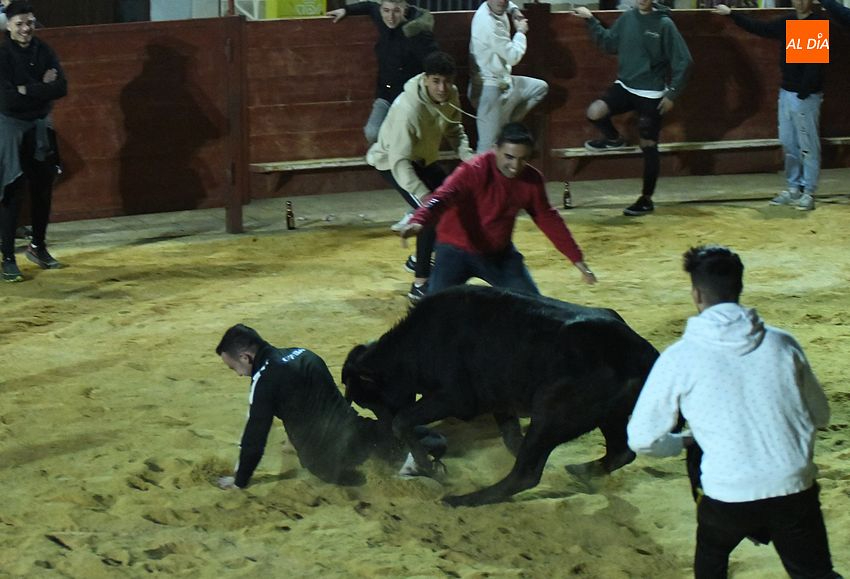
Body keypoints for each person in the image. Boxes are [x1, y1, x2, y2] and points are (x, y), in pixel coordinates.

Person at [627, 245, 841, 579]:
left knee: (711, 558)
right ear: (739, 288)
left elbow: (641, 439)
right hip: (793, 487)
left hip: (727, 496)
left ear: (697, 294)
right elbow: (821, 415)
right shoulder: (784, 344)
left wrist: (682, 443)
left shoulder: (679, 357)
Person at [215, 324, 444, 489]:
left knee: (355, 472)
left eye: (233, 367)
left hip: (327, 461)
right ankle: (415, 454)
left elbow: (255, 437)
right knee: (396, 438)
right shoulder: (304, 354)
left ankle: (401, 471)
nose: (237, 374)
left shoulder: (263, 381)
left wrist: (240, 480)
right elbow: (309, 403)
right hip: (355, 431)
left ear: (246, 357)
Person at [399, 122, 596, 297]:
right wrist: (419, 219)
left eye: (523, 159)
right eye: (509, 157)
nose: (515, 166)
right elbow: (442, 196)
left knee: (533, 307)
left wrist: (577, 259)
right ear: (495, 149)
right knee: (434, 313)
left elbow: (547, 218)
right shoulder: (472, 170)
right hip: (454, 252)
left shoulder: (532, 180)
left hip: (498, 254)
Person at [366, 51, 474, 303]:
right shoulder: (409, 108)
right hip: (392, 163)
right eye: (436, 81)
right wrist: (424, 195)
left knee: (455, 201)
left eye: (446, 81)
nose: (442, 87)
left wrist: (468, 156)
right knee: (431, 213)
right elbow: (399, 161)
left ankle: (417, 259)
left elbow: (455, 129)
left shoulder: (452, 95)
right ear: (425, 79)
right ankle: (420, 283)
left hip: (425, 160)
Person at [572, 0, 692, 216]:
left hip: (651, 93)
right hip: (626, 86)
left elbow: (684, 61)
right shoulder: (628, 17)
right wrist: (590, 19)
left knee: (648, 144)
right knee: (595, 112)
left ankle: (646, 199)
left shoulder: (664, 24)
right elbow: (609, 43)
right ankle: (613, 139)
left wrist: (672, 94)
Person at [714, 0, 825, 211]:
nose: (800, 2)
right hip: (787, 92)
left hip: (805, 96)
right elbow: (760, 28)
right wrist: (731, 14)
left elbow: (815, 67)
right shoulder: (789, 22)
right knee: (789, 143)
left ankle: (809, 191)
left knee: (808, 145)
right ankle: (794, 188)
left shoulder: (816, 24)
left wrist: (804, 92)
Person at [0, 0, 66, 282]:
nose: (26, 29)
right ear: (8, 26)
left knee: (43, 189)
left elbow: (61, 86)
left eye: (30, 23)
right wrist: (42, 87)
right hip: (11, 129)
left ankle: (38, 246)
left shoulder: (44, 49)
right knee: (12, 192)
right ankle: (7, 257)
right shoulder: (2, 55)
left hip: (39, 126)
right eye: (20, 24)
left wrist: (26, 88)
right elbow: (6, 99)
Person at [326, 0, 438, 147]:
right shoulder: (382, 18)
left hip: (410, 99)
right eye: (386, 10)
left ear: (404, 10)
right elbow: (369, 6)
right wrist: (346, 10)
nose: (390, 16)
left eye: (396, 11)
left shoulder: (416, 32)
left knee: (405, 138)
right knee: (372, 132)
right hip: (386, 93)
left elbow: (435, 63)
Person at [468, 0, 548, 154]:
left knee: (540, 87)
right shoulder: (487, 23)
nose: (502, 1)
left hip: (503, 80)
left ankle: (505, 126)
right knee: (486, 148)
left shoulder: (496, 7)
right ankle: (479, 177)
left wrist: (515, 9)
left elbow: (506, 5)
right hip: (488, 86)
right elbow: (513, 57)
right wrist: (520, 32)